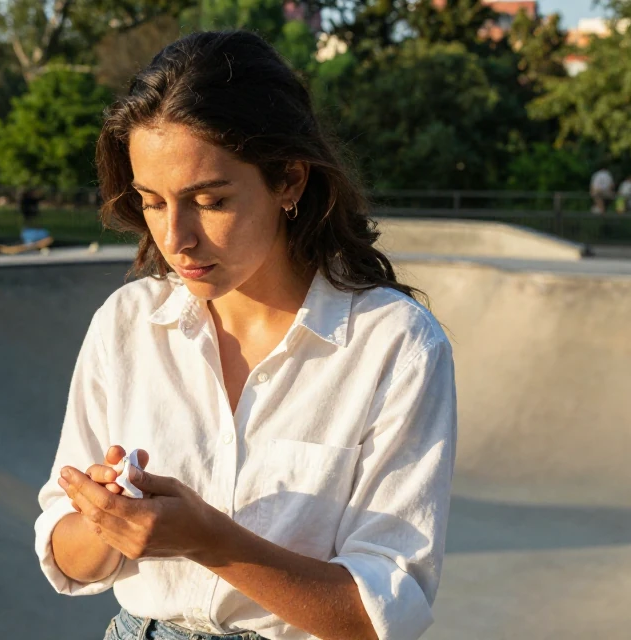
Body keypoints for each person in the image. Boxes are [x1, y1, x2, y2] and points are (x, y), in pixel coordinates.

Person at [37, 32, 456, 640]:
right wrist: (107, 520)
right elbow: (64, 554)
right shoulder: (126, 324)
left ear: (289, 179)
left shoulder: (395, 346)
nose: (175, 238)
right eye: (151, 202)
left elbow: (378, 617)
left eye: (208, 200)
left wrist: (208, 540)